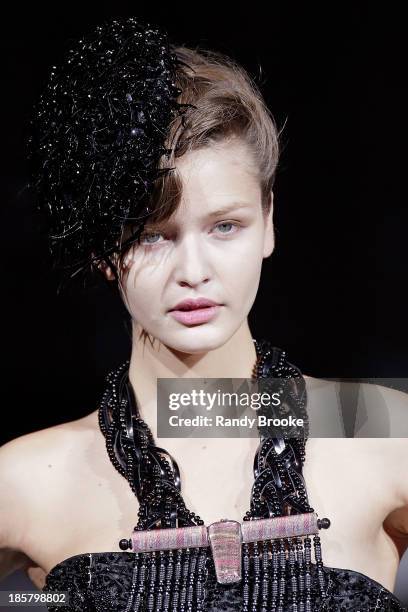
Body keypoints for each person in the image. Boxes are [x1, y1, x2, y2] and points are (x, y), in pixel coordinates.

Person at [1, 16, 407, 612]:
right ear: (102, 251)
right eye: (153, 236)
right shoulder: (29, 478)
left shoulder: (378, 429)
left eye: (225, 226)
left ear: (269, 221)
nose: (194, 269)